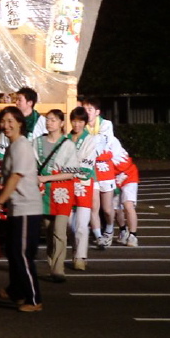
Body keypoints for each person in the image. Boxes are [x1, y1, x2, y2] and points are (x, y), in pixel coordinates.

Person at [0, 106, 43, 313]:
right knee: (14, 252)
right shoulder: (12, 147)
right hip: (17, 207)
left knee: (21, 254)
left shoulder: (21, 145)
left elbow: (15, 177)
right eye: (3, 121)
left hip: (26, 207)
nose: (6, 125)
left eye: (11, 121)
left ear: (20, 123)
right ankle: (16, 290)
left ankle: (34, 298)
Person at [32, 109, 78, 283]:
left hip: (61, 192)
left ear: (61, 123)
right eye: (47, 119)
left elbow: (71, 173)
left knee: (59, 230)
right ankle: (53, 263)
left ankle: (58, 269)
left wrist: (46, 177)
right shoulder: (37, 142)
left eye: (53, 120)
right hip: (43, 192)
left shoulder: (68, 145)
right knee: (49, 230)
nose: (49, 122)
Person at [82, 97, 117, 249]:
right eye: (84, 109)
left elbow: (103, 144)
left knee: (107, 210)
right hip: (91, 170)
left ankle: (109, 229)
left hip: (106, 170)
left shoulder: (106, 124)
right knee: (93, 206)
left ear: (97, 112)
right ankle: (99, 236)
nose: (86, 112)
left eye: (90, 110)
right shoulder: (81, 126)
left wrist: (90, 146)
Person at [68, 107, 98, 271]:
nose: (77, 124)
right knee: (67, 224)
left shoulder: (90, 140)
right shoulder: (66, 138)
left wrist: (67, 170)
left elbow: (87, 165)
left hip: (83, 185)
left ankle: (80, 256)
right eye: (74, 120)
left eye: (80, 121)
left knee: (81, 223)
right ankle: (76, 250)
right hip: (66, 185)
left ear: (85, 123)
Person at [0, 87, 48, 168]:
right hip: (13, 164)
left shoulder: (42, 122)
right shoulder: (10, 123)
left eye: (19, 100)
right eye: (16, 100)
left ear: (30, 103)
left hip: (36, 168)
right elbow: (0, 150)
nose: (16, 103)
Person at [109, 137, 140, 247]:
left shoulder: (111, 141)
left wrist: (122, 175)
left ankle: (133, 235)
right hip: (113, 178)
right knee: (115, 208)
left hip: (128, 175)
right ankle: (123, 230)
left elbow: (124, 163)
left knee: (128, 205)